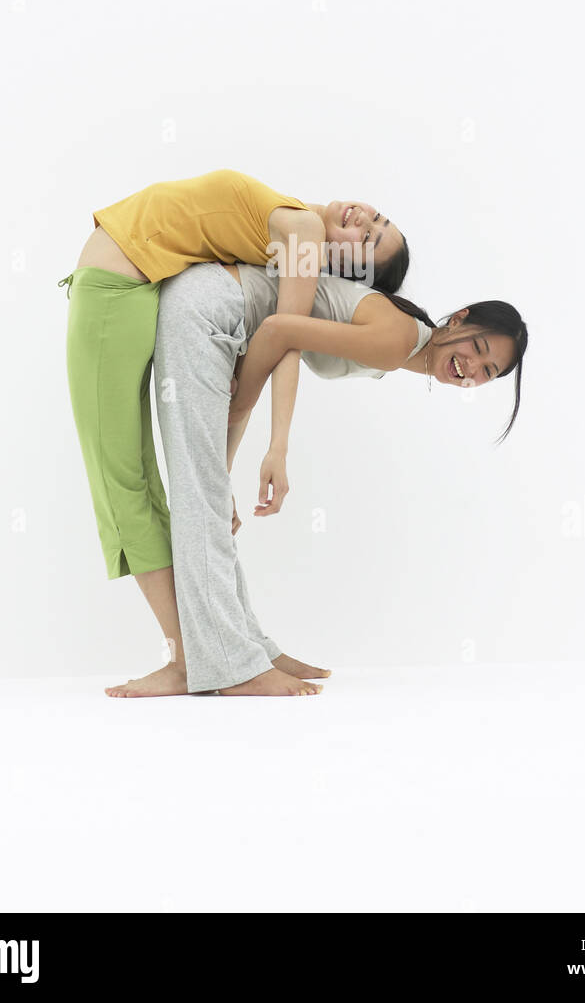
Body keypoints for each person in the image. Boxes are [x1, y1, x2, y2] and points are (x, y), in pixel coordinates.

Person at [102, 258, 527, 698]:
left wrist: (225, 467)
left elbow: (284, 343)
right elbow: (278, 332)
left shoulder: (403, 344)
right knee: (199, 497)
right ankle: (228, 665)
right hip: (207, 308)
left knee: (207, 497)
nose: (472, 369)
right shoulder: (399, 339)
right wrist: (275, 446)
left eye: (488, 372)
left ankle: (252, 651)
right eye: (477, 348)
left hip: (215, 310)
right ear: (459, 320)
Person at [57, 168, 409, 587]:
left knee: (122, 485)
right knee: (131, 482)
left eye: (368, 240)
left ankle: (186, 647)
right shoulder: (285, 237)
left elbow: (283, 345)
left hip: (114, 293)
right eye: (379, 218)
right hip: (121, 290)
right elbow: (257, 362)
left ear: (345, 267)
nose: (364, 219)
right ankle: (191, 643)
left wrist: (276, 449)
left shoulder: (304, 233)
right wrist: (221, 480)